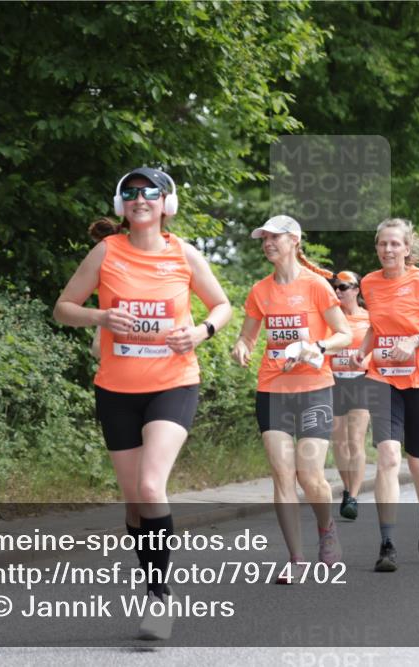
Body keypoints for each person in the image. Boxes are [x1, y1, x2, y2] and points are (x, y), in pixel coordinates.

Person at [54, 167, 232, 639]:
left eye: (149, 192)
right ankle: (151, 575)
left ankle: (159, 596)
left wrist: (199, 331)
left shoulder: (184, 254)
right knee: (135, 503)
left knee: (152, 487)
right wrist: (102, 315)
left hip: (173, 384)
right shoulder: (105, 252)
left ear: (165, 204)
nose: (140, 199)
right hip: (115, 391)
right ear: (121, 205)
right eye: (130, 193)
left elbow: (222, 306)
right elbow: (63, 308)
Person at [231, 215, 352, 582]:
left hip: (314, 388)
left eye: (274, 238)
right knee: (282, 476)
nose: (267, 243)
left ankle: (326, 527)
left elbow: (344, 334)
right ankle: (295, 559)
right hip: (272, 390)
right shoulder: (260, 291)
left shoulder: (316, 286)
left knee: (310, 474)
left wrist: (315, 345)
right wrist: (241, 347)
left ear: (294, 241)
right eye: (263, 239)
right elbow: (248, 337)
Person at [352, 218, 419, 572]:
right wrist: (363, 349)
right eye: (382, 243)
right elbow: (376, 326)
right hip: (382, 378)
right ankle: (387, 543)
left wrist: (416, 340)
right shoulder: (369, 283)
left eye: (395, 244)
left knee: (418, 462)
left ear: (407, 249)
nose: (388, 250)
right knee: (388, 457)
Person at [329, 270, 372, 520]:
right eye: (335, 286)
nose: (338, 291)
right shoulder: (330, 319)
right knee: (339, 443)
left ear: (356, 290)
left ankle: (353, 496)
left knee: (355, 441)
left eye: (344, 287)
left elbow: (379, 346)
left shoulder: (369, 318)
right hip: (334, 381)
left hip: (361, 382)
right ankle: (347, 488)